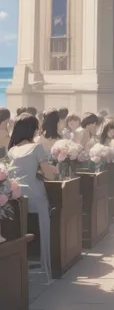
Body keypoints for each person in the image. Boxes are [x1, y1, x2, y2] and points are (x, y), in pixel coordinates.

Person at [8, 113, 57, 282]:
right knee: (44, 229)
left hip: (18, 198)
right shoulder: (36, 148)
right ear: (32, 129)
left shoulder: (12, 150)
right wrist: (46, 170)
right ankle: (46, 267)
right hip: (36, 195)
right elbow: (50, 176)